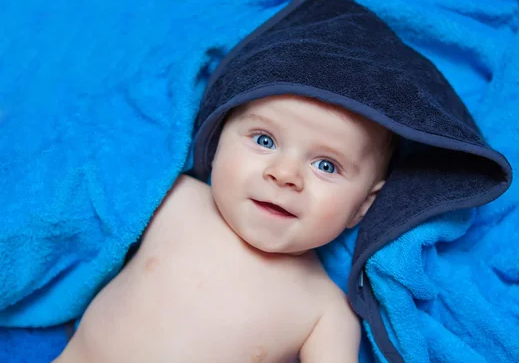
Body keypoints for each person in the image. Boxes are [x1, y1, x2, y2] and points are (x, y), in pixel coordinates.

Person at [53, 94, 395, 363]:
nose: (284, 174)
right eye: (264, 140)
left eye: (326, 165)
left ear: (363, 204)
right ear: (216, 145)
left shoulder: (326, 310)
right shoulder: (176, 198)